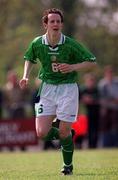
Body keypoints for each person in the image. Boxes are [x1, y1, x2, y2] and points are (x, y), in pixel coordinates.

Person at [19, 8, 96, 175]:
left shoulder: (70, 44)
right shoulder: (37, 43)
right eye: (52, 21)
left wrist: (72, 67)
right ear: (45, 24)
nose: (56, 24)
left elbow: (92, 62)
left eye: (58, 21)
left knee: (63, 131)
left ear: (61, 24)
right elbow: (29, 58)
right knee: (41, 133)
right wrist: (25, 76)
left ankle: (67, 166)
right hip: (47, 88)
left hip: (68, 88)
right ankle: (66, 135)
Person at [98, 65, 118, 147]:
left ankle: (115, 144)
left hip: (115, 108)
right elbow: (102, 98)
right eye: (108, 73)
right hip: (106, 108)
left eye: (111, 73)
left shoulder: (116, 82)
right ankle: (105, 144)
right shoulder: (102, 84)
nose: (109, 74)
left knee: (115, 127)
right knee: (104, 127)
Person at [80, 73, 100, 148]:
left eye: (92, 80)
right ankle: (85, 145)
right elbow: (81, 99)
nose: (91, 82)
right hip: (86, 114)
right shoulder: (83, 89)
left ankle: (93, 145)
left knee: (95, 130)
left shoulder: (96, 89)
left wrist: (89, 99)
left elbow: (97, 99)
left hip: (95, 112)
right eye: (89, 80)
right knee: (86, 130)